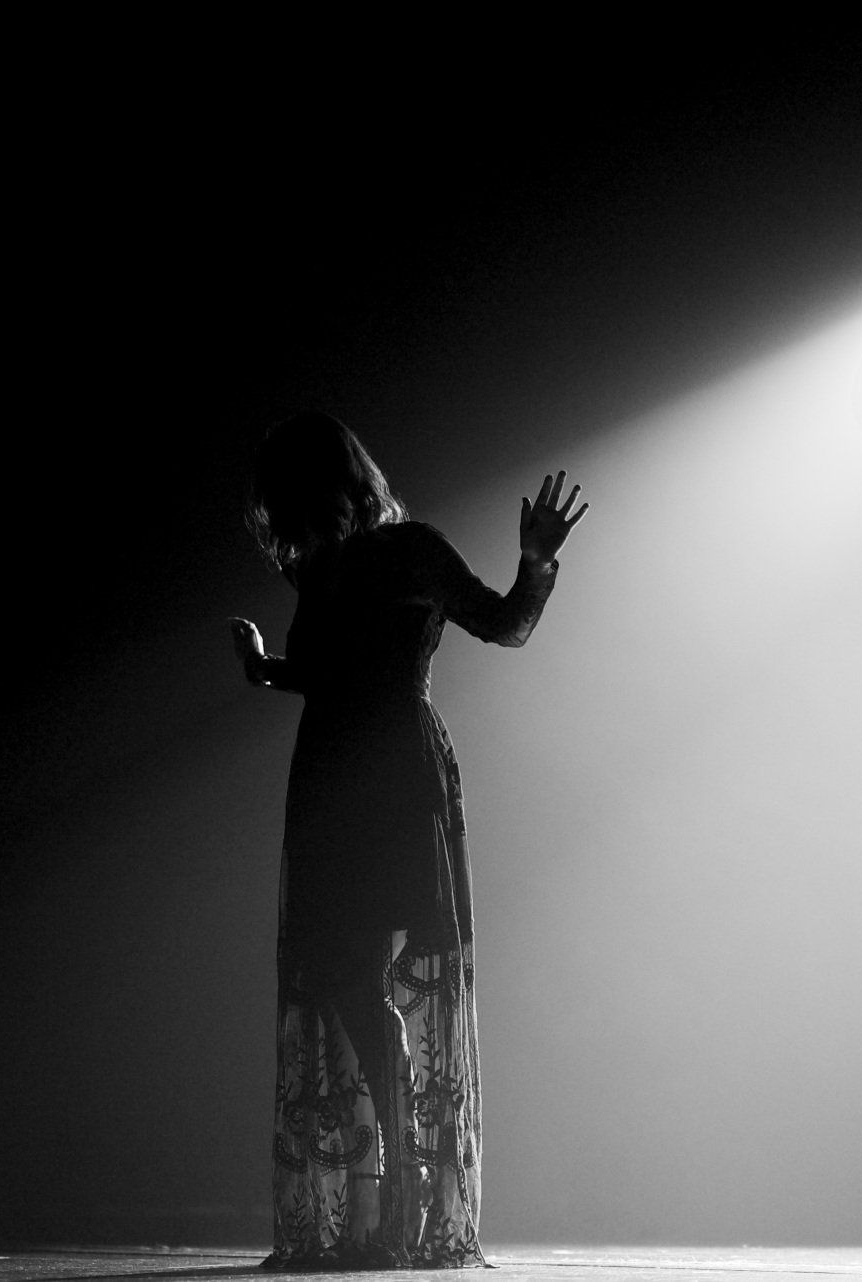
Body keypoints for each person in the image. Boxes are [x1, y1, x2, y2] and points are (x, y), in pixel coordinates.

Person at [229, 411, 586, 1270]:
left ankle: (409, 1207)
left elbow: (504, 623)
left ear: (327, 487)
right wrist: (264, 668)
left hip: (390, 773)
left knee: (371, 976)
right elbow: (323, 673)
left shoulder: (410, 549)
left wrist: (535, 561)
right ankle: (384, 1199)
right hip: (328, 777)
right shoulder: (322, 570)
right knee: (349, 983)